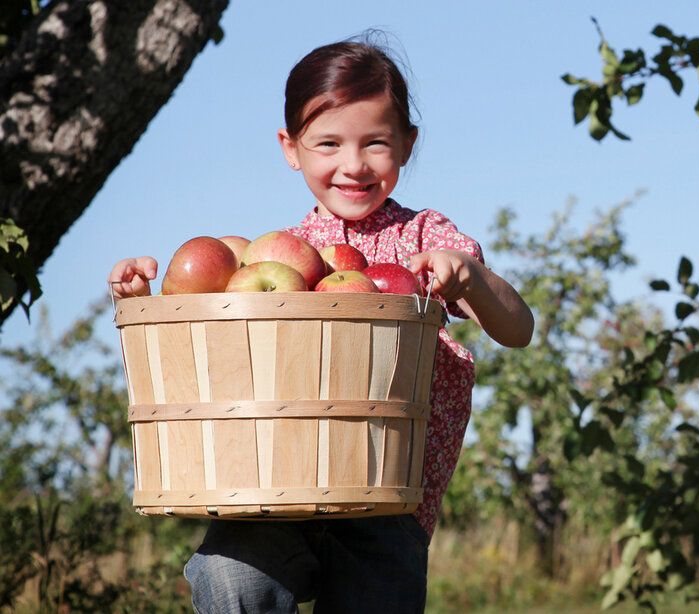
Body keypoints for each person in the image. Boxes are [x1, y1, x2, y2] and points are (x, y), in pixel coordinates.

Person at [108, 36, 534, 613]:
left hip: (385, 501)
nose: (353, 165)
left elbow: (516, 328)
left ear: (407, 144)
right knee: (229, 574)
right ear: (291, 148)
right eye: (329, 143)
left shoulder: (425, 241)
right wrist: (145, 294)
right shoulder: (276, 255)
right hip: (277, 492)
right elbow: (213, 325)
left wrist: (470, 277)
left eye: (375, 142)